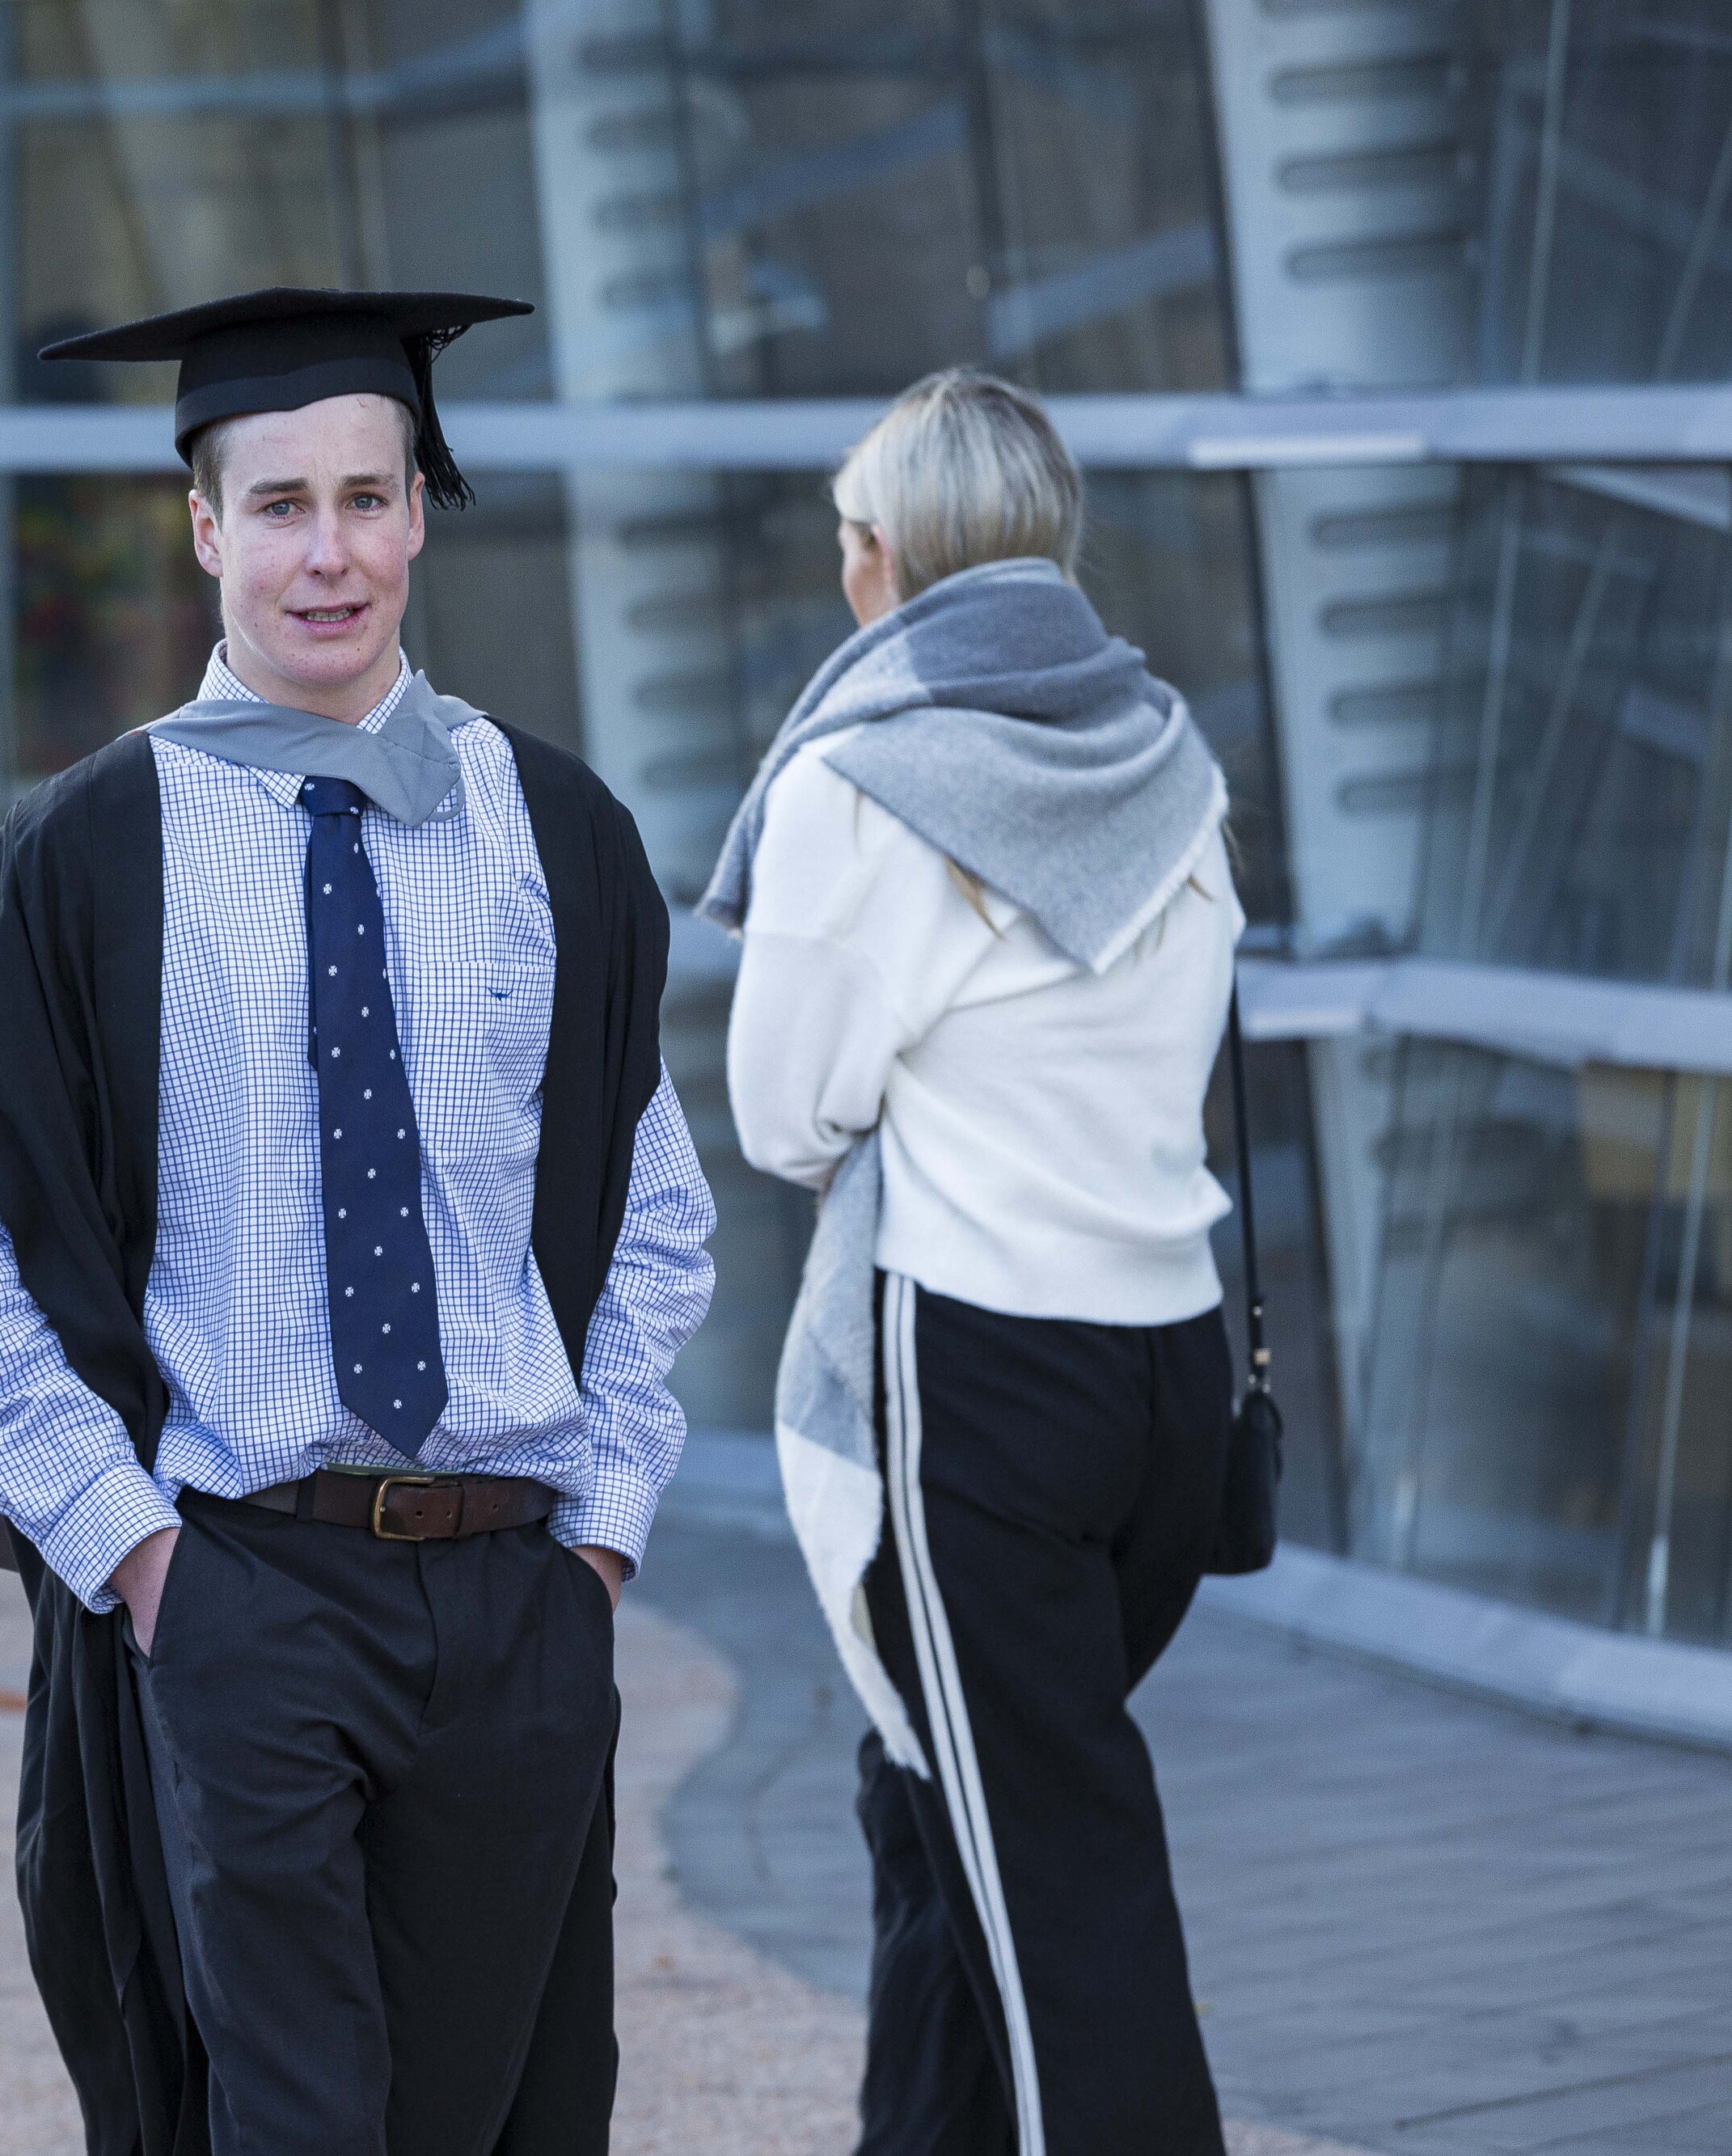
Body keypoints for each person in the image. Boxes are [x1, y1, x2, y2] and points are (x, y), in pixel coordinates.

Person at [0, 287, 719, 2156]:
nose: (328, 552)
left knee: (508, 2112)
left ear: (422, 511)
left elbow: (654, 1216)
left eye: (366, 497)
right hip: (241, 1585)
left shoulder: (557, 834)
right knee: (280, 2123)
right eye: (277, 504)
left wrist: (592, 1544)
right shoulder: (84, 855)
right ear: (200, 527)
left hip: (514, 1591)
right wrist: (145, 1570)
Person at [706, 368, 1241, 2154]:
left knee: (1050, 1874)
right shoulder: (1170, 756)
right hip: (1163, 1373)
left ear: (883, 561)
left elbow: (784, 1113)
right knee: (939, 1795)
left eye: (847, 544)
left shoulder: (862, 783)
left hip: (979, 1387)